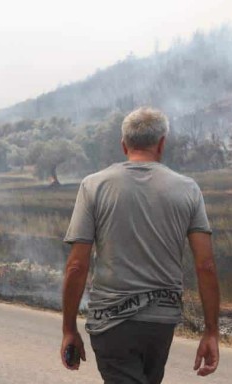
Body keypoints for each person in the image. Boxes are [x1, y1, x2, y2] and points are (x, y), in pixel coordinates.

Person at [60, 107, 220, 383]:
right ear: (161, 144)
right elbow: (205, 265)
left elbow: (76, 265)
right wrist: (211, 332)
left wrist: (68, 329)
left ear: (124, 145)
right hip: (161, 323)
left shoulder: (93, 186)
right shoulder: (188, 189)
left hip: (111, 323)